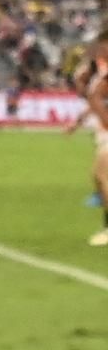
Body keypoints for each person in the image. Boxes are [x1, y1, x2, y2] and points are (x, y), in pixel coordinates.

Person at [67, 31, 108, 246]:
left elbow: (97, 99)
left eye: (103, 47)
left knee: (102, 175)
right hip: (103, 130)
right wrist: (78, 121)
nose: (101, 51)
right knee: (99, 177)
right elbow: (95, 100)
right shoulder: (101, 71)